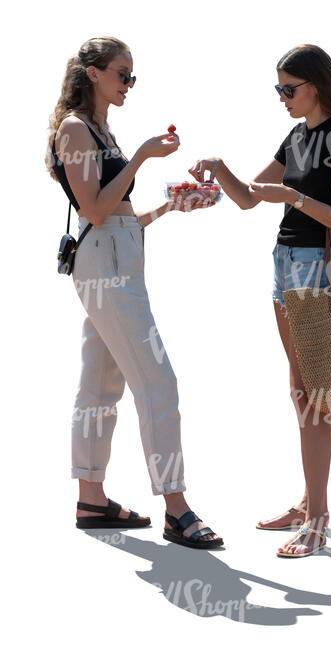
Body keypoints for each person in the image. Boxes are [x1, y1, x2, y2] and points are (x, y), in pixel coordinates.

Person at [189, 44, 331, 557]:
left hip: (317, 265)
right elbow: (248, 196)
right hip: (286, 262)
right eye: (279, 89)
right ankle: (309, 500)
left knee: (314, 393)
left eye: (289, 89)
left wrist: (292, 197)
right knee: (299, 389)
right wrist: (219, 169)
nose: (282, 98)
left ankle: (317, 518)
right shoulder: (297, 135)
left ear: (317, 85)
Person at [46, 36, 223, 549]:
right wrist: (144, 155)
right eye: (123, 74)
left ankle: (91, 499)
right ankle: (177, 508)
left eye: (132, 76)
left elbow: (120, 218)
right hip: (106, 263)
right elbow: (95, 211)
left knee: (101, 384)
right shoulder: (76, 129)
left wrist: (172, 207)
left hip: (119, 257)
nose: (129, 84)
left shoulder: (101, 130)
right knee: (158, 380)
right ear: (94, 73)